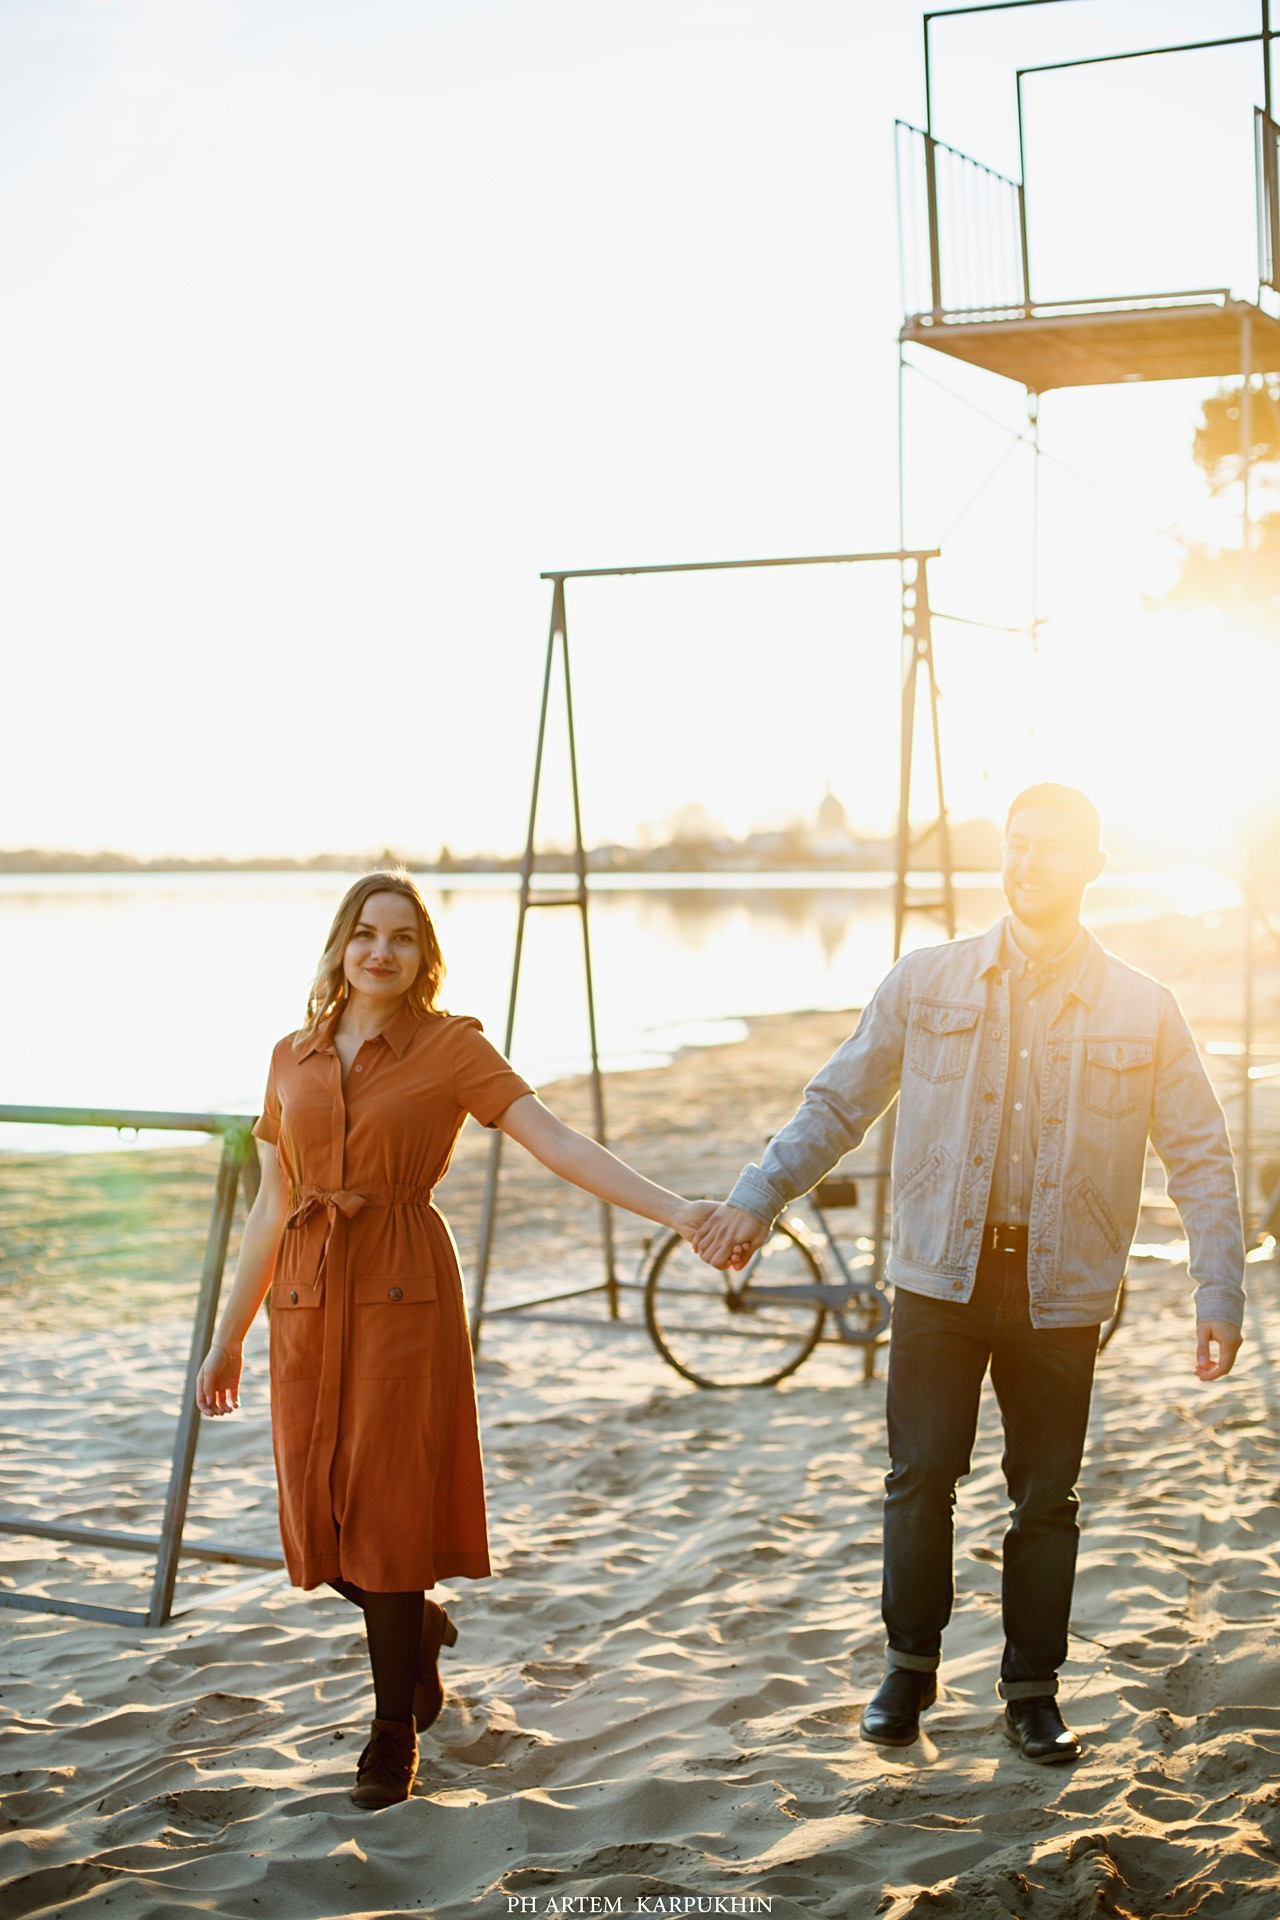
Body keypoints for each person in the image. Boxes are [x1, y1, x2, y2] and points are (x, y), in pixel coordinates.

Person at [692, 784, 1245, 1763]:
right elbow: (837, 1103)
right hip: (936, 1283)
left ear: (1090, 867)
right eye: (1014, 845)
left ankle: (1030, 1688)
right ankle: (907, 1670)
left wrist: (1216, 1291)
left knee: (1044, 1498)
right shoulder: (926, 982)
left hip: (1060, 1291)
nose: (1025, 863)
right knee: (918, 1478)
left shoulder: (1140, 1007)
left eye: (1049, 848)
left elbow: (1198, 1155)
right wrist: (755, 1197)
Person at [196, 871, 713, 1809]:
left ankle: (393, 1733)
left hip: (402, 1293)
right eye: (364, 933)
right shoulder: (289, 1055)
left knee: (385, 1510)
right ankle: (419, 1626)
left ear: (424, 956)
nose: (380, 951)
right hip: (308, 1301)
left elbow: (555, 1142)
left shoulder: (451, 1047)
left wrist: (676, 1212)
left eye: (401, 936)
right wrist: (227, 1333)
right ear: (340, 947)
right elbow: (272, 1200)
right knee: (322, 1514)